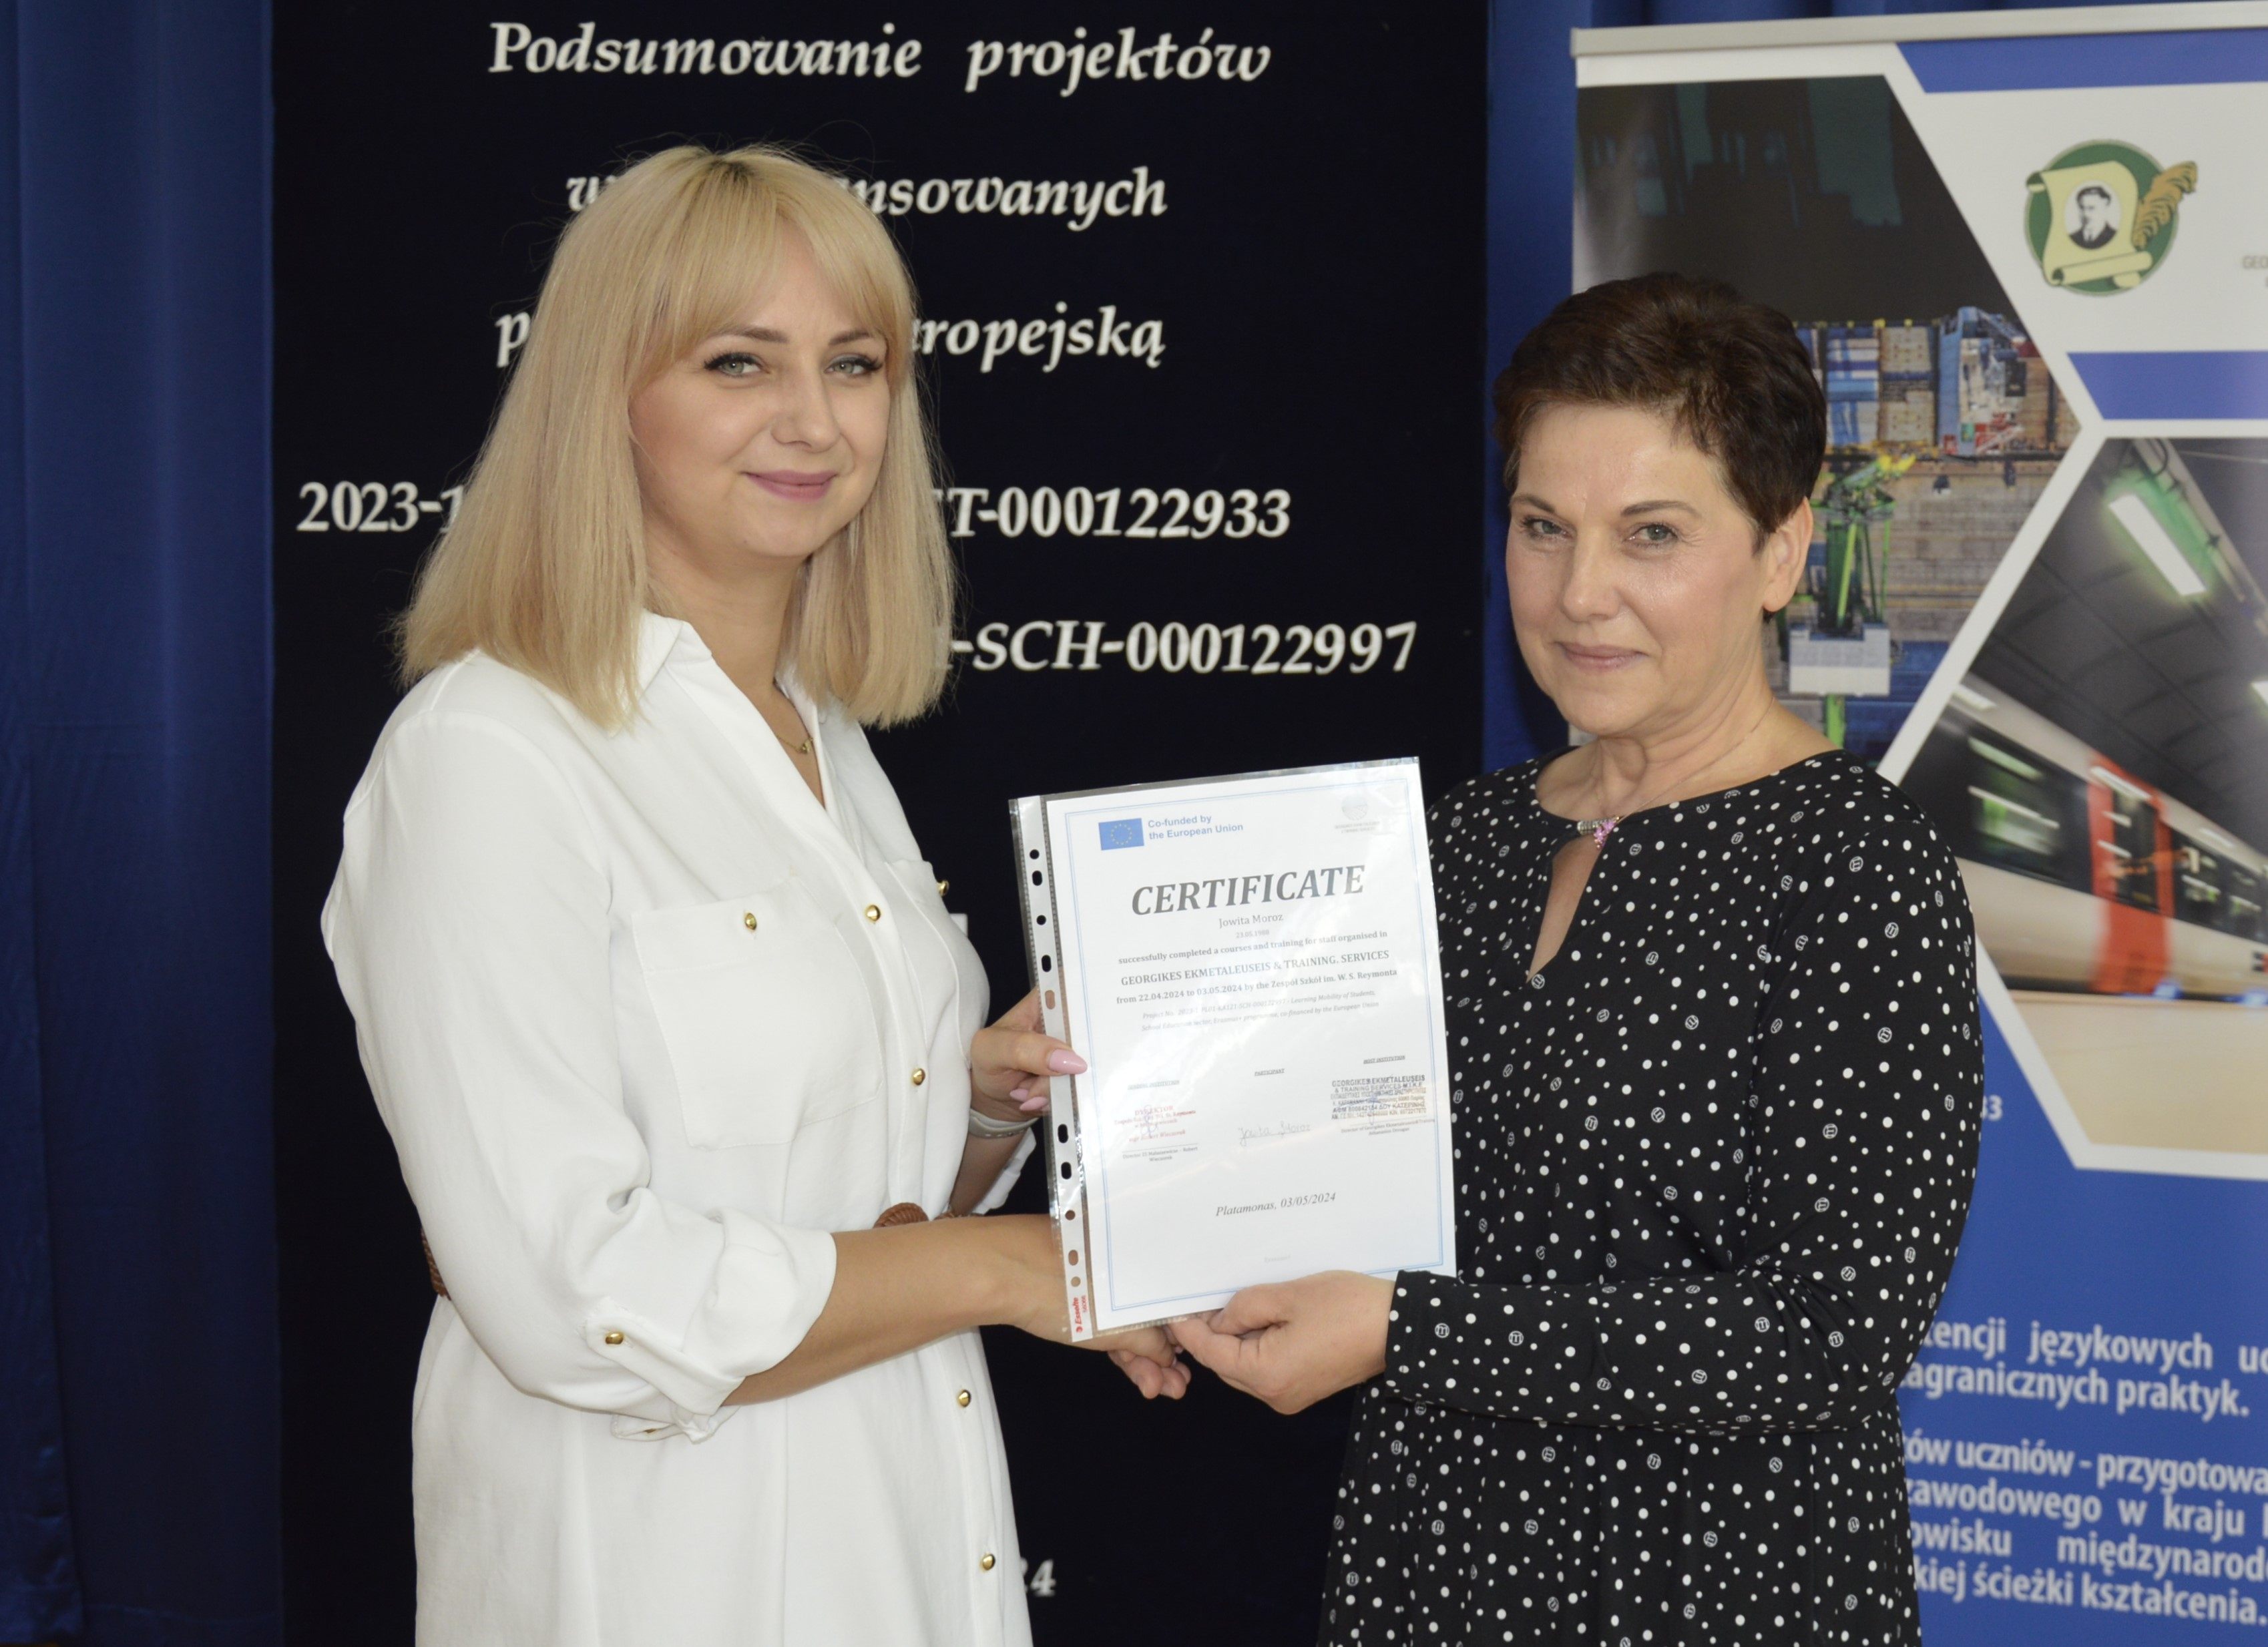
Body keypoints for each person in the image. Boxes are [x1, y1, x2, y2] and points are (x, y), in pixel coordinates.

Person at [322, 144, 1186, 1647]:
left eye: (854, 365)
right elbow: (565, 1292)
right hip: (649, 1572)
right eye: (740, 361)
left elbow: (853, 1199)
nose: (812, 420)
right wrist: (1008, 1266)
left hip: (904, 1537)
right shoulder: (487, 751)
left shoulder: (821, 736)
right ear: (608, 393)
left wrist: (984, 1111)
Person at [1172, 273, 1984, 1645]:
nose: (1578, 593)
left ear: (1780, 553)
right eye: (1541, 526)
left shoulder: (1855, 864)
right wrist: (1136, 1181)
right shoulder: (1457, 841)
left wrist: (1407, 1332)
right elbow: (1313, 1172)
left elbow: (1832, 1329)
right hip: (1429, 1576)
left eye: (1650, 534)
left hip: (1719, 1596)